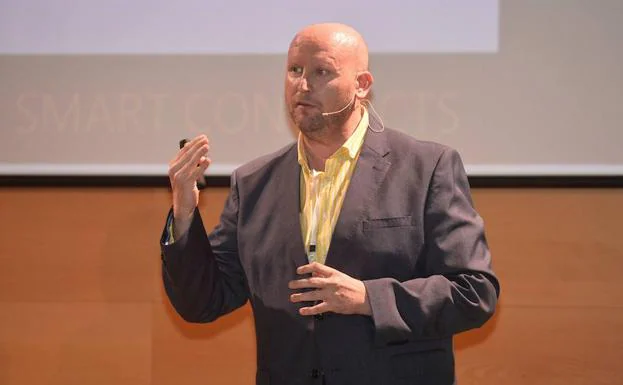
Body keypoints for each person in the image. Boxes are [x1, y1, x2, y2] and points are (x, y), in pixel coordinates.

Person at [160, 22, 500, 385]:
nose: (302, 85)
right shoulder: (253, 182)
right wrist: (183, 212)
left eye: (322, 72)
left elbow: (474, 291)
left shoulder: (426, 168)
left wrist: (370, 298)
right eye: (295, 70)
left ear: (362, 85)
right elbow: (203, 300)